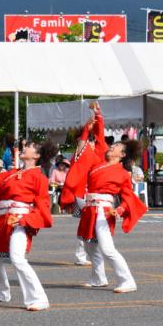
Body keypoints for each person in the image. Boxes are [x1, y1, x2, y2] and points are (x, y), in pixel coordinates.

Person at [0, 136, 56, 311]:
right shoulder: (11, 173)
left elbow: (43, 206)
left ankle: (39, 298)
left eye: (29, 146)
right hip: (2, 219)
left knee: (17, 258)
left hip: (20, 221)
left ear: (37, 155)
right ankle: (0, 292)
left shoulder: (39, 176)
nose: (25, 147)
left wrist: (25, 220)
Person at [64, 137, 147, 293]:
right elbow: (96, 143)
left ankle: (127, 281)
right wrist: (96, 118)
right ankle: (98, 278)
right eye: (112, 145)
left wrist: (120, 210)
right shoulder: (97, 166)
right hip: (89, 209)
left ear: (122, 154)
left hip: (103, 211)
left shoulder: (122, 174)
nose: (111, 147)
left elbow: (128, 196)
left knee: (107, 249)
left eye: (116, 146)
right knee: (89, 246)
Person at [61, 104, 106, 266]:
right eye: (90, 140)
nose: (93, 142)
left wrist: (98, 116)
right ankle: (82, 254)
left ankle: (85, 253)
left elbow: (100, 136)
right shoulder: (81, 152)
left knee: (90, 224)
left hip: (94, 194)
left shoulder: (98, 153)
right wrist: (88, 127)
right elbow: (83, 141)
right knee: (87, 223)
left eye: (93, 140)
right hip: (82, 194)